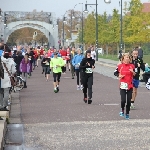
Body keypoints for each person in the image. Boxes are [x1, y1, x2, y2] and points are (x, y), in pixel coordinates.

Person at [117, 53, 135, 119]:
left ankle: (127, 113)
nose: (127, 58)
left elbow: (136, 74)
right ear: (123, 58)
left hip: (129, 85)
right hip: (123, 85)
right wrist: (119, 75)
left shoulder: (132, 66)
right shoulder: (120, 66)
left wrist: (133, 72)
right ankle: (122, 110)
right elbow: (115, 72)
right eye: (126, 57)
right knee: (123, 100)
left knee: (128, 101)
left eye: (128, 57)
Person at [1, 47, 16, 111]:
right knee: (6, 92)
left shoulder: (1, 60)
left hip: (1, 77)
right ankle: (5, 105)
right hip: (7, 77)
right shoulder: (11, 61)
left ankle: (1, 105)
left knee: (1, 92)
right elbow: (13, 71)